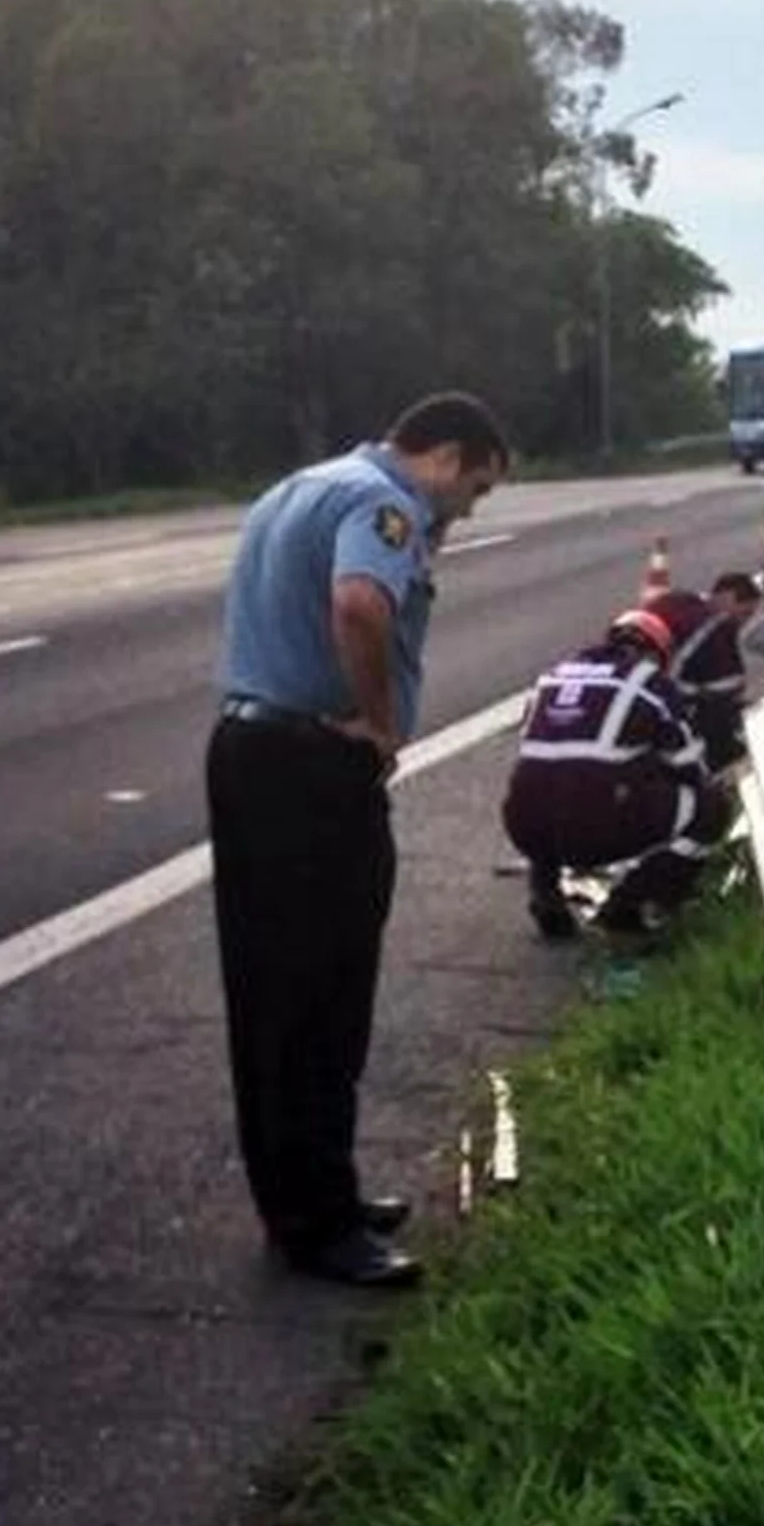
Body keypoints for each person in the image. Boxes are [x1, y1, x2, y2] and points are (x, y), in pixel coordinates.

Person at [207, 390, 509, 1289]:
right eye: (476, 490)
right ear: (448, 456)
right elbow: (359, 606)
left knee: (265, 993)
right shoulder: (387, 506)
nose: (466, 511)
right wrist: (380, 723)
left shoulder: (301, 485)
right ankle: (325, 1226)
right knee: (325, 996)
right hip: (313, 766)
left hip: (247, 750)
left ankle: (296, 1196)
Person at [503, 591, 736, 943]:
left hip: (522, 824)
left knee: (549, 789)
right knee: (711, 809)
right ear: (657, 654)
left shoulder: (552, 676)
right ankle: (628, 905)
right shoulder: (649, 683)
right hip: (598, 825)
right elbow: (689, 766)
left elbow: (540, 752)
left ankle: (546, 894)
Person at [670, 569, 764, 773]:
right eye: (745, 613)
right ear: (727, 598)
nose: (743, 623)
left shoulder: (681, 601)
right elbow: (730, 685)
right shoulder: (717, 626)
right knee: (727, 743)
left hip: (634, 681)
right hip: (667, 701)